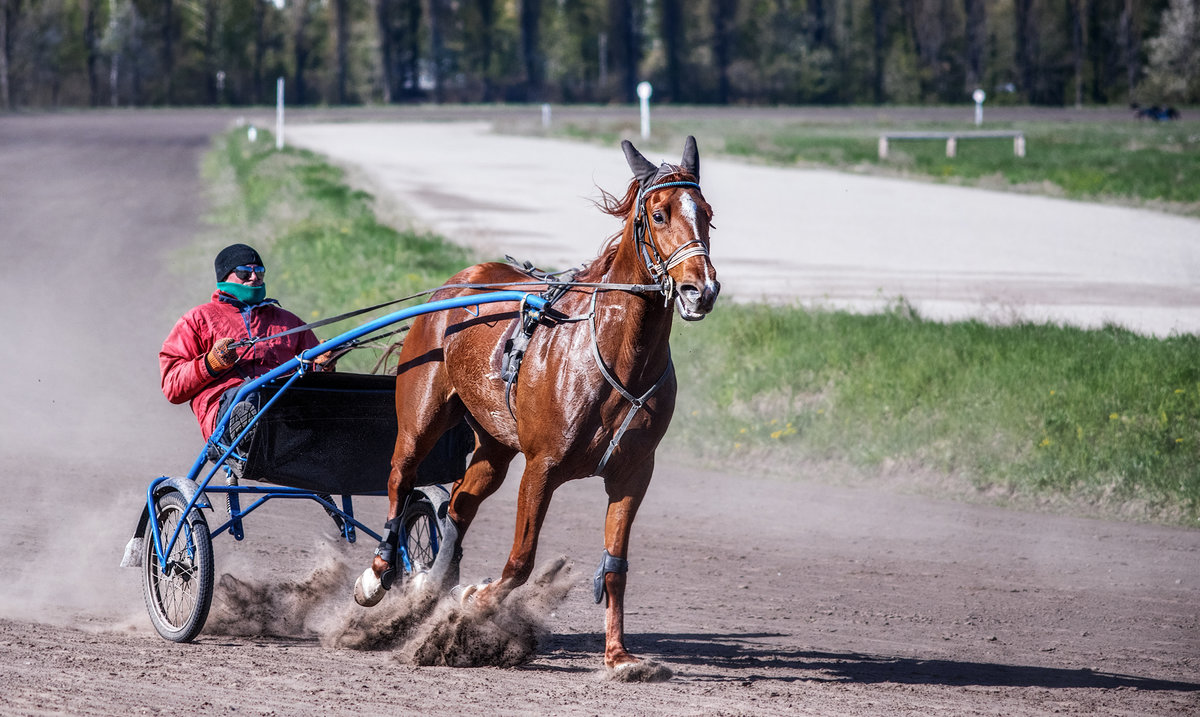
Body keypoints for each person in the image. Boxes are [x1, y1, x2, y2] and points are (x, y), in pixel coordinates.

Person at [160, 243, 322, 443]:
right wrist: (209, 364)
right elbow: (172, 387)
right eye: (245, 272)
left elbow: (317, 379)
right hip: (228, 409)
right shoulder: (197, 319)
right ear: (225, 276)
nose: (254, 277)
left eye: (259, 272)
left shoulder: (290, 322)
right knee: (251, 396)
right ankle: (256, 429)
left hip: (284, 404)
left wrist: (325, 364)